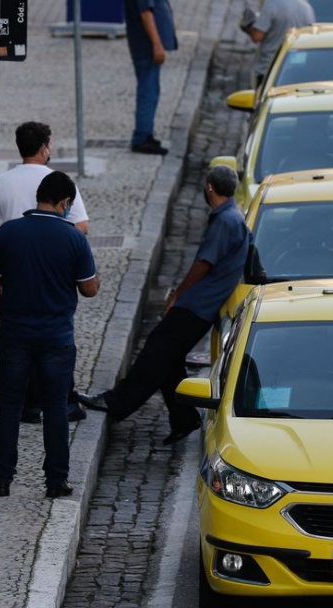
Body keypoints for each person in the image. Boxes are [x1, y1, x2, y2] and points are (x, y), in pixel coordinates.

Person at [78, 166, 249, 444]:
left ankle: (117, 401)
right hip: (203, 305)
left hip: (196, 305)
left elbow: (203, 264)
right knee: (169, 360)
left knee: (155, 353)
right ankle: (184, 418)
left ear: (209, 188)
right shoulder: (233, 216)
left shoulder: (226, 221)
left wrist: (177, 295)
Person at [0, 171, 100, 498]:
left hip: (15, 333)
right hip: (56, 337)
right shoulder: (74, 238)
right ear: (64, 202)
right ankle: (55, 481)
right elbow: (89, 289)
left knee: (9, 404)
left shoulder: (9, 233)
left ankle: (2, 478)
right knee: (55, 407)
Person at [0, 121, 90, 424]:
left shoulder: (1, 182)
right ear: (45, 148)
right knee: (58, 334)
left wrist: (2, 262)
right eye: (51, 144)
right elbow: (81, 226)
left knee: (19, 336)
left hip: (15, 270)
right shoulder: (58, 181)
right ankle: (64, 400)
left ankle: (28, 403)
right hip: (54, 269)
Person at [123, 0, 178, 155]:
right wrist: (157, 44)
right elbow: (146, 14)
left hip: (143, 45)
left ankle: (146, 133)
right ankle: (142, 137)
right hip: (145, 46)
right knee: (148, 92)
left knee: (151, 90)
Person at [239, 0, 315, 88]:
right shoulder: (306, 7)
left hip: (270, 68)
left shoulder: (272, 4)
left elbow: (257, 36)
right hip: (297, 66)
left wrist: (248, 26)